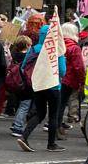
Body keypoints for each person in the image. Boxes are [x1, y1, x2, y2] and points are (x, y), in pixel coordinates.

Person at [17, 24, 67, 153]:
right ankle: (51, 144)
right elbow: (62, 71)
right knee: (53, 115)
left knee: (40, 113)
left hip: (38, 85)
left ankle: (24, 136)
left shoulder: (33, 49)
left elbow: (23, 66)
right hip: (53, 86)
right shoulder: (56, 49)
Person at [57, 23, 84, 133]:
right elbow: (79, 67)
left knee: (59, 104)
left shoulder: (58, 44)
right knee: (62, 104)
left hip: (57, 78)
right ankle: (57, 128)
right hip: (69, 79)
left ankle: (56, 126)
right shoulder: (74, 47)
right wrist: (82, 81)